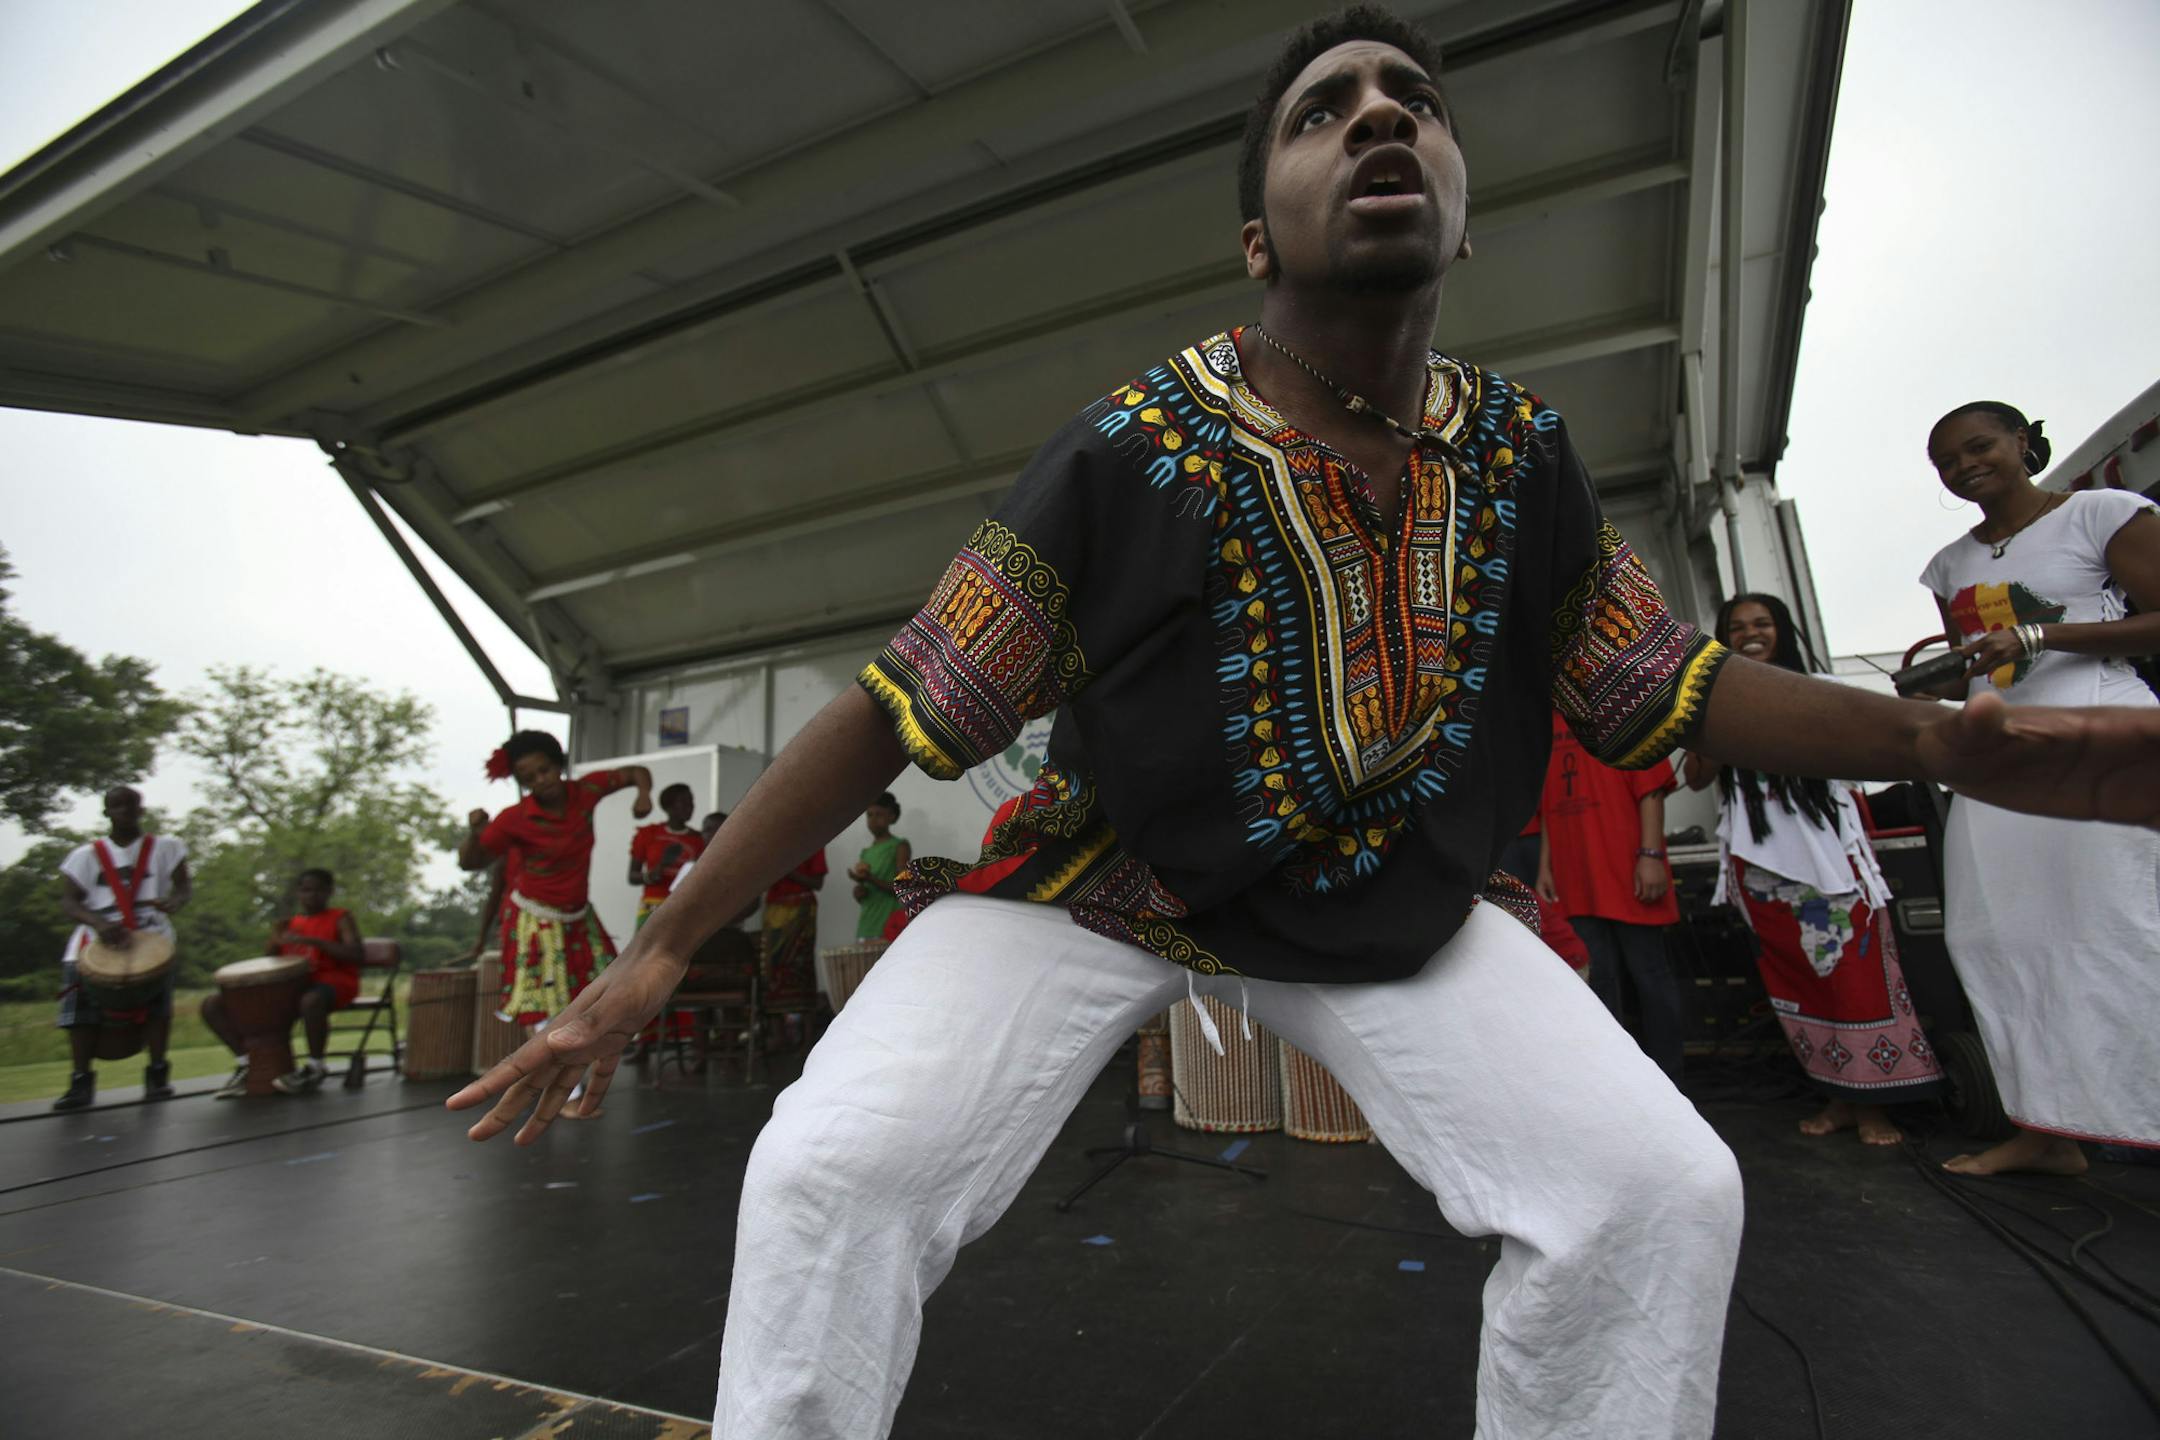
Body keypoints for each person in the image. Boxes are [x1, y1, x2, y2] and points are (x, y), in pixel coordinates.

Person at [451, 13, 2160, 1435]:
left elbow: (1669, 691)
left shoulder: (1523, 458)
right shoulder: (1135, 447)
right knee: (829, 1176)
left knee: (1655, 1190)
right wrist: (664, 947)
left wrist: (1936, 742)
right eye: (1325, 110)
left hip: (1395, 913)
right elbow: (901, 704)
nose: (1377, 121)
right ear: (1262, 230)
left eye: (1411, 101)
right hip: (1093, 893)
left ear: (1465, 208)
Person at [1917, 401, 2160, 1175]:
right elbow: (1981, 667)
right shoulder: (1949, 563)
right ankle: (2044, 1129)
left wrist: (2041, 633)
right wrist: (1937, 686)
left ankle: (2143, 1112)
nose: (1964, 467)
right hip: (2003, 751)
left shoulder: (2100, 512)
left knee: (2119, 924)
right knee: (1992, 934)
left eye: (1978, 447)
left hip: (2097, 731)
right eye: (1947, 462)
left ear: (2023, 442)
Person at [1682, 595, 1943, 1144]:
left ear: (1782, 631)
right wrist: (1710, 721)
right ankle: (1837, 1098)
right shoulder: (1716, 698)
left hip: (1827, 853)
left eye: (1762, 624)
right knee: (1795, 984)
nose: (1751, 634)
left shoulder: (1813, 688)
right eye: (1737, 627)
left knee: (1856, 978)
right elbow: (1698, 779)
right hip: (1760, 859)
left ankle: (1875, 1107)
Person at [457, 731, 652, 1029]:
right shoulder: (513, 818)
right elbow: (471, 862)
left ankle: (580, 1068)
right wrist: (473, 833)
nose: (540, 780)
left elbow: (637, 773)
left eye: (545, 770)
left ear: (558, 764)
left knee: (601, 991)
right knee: (546, 1003)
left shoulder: (586, 790)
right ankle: (556, 1072)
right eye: (529, 778)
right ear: (522, 784)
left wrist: (643, 796)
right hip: (535, 916)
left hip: (577, 914)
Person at [1536, 711, 1685, 1080]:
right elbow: (1548, 804)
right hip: (1576, 876)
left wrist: (1651, 855)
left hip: (1626, 870)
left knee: (1648, 976)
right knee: (1596, 983)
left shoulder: (1619, 710)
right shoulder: (1545, 723)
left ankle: (1671, 1083)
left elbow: (1651, 787)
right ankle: (1616, 1082)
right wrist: (1546, 866)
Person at [51, 785, 190, 1111]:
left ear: (142, 810)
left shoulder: (167, 847)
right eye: (117, 805)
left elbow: (184, 887)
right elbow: (69, 901)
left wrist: (175, 901)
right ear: (106, 812)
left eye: (132, 805)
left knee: (158, 1009)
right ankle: (80, 1082)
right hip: (95, 942)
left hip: (152, 941)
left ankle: (157, 1075)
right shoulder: (84, 856)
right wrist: (99, 924)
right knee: (80, 1014)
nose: (125, 810)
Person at [202, 867, 366, 1098]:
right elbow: (271, 960)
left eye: (318, 890)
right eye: (306, 890)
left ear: (329, 892)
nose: (312, 896)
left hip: (333, 981)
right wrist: (274, 939)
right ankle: (247, 1064)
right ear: (299, 893)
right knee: (212, 1005)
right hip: (293, 986)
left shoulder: (340, 918)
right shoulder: (292, 923)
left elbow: (357, 954)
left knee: (311, 1001)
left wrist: (314, 941)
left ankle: (315, 1066)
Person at [628, 784, 704, 930]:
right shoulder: (648, 834)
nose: (690, 806)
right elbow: (632, 877)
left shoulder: (698, 839)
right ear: (668, 806)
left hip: (685, 908)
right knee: (648, 952)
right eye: (684, 802)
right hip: (651, 908)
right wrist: (652, 874)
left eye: (692, 801)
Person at [846, 792, 911, 941]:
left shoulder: (900, 846)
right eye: (869, 815)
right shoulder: (866, 852)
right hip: (866, 925)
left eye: (879, 814)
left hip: (890, 926)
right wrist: (859, 892)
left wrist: (870, 878)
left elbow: (903, 887)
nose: (873, 820)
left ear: (892, 817)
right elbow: (864, 891)